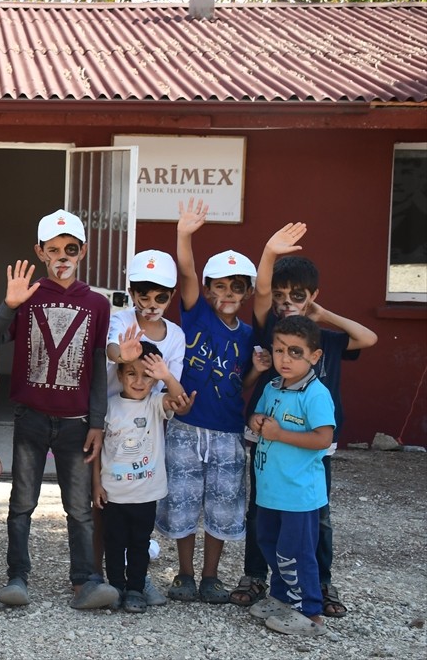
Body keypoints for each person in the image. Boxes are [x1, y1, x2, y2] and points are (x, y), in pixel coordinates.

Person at [0, 209, 118, 610]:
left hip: (76, 424)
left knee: (79, 507)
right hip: (31, 418)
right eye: (53, 249)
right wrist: (8, 305)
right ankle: (17, 577)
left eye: (70, 249)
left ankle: (85, 581)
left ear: (83, 251)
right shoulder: (28, 297)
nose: (62, 257)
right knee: (22, 503)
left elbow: (95, 366)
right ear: (39, 252)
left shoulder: (96, 303)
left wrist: (97, 422)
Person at [234, 223, 377, 617]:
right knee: (261, 511)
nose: (286, 302)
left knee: (317, 517)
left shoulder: (325, 340)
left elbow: (368, 339)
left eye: (297, 295)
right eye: (281, 296)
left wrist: (322, 314)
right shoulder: (271, 331)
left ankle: (319, 584)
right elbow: (261, 292)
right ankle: (257, 575)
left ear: (313, 295)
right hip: (268, 444)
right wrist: (267, 253)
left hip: (312, 447)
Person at [155, 197, 265, 604]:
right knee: (183, 502)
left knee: (221, 505)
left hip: (227, 432)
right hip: (186, 427)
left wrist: (256, 367)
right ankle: (184, 574)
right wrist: (184, 234)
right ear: (207, 289)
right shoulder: (197, 314)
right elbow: (186, 269)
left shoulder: (249, 334)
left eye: (238, 287)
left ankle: (211, 576)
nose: (229, 293)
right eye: (220, 285)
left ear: (249, 291)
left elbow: (243, 383)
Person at [97, 249, 186, 606]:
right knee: (109, 516)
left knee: (138, 516)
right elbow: (112, 349)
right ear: (132, 292)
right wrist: (125, 355)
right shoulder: (120, 320)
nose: (151, 304)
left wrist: (159, 379)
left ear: (171, 296)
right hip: (108, 419)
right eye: (143, 296)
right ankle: (101, 578)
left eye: (160, 297)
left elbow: (172, 391)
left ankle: (137, 581)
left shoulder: (175, 336)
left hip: (148, 416)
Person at [247, 315, 335, 637]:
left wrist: (280, 434)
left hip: (299, 495)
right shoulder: (272, 387)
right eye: (280, 349)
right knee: (270, 542)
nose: (285, 358)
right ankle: (283, 598)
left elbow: (323, 439)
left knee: (295, 553)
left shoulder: (316, 394)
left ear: (314, 356)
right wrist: (257, 419)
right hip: (271, 490)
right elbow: (261, 416)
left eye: (295, 352)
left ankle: (310, 612)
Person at [94, 342, 195, 613]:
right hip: (113, 492)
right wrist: (96, 485)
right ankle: (116, 587)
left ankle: (136, 590)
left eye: (147, 375)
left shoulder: (155, 403)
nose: (139, 381)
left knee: (139, 544)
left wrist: (166, 376)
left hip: (146, 493)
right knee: (113, 544)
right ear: (119, 375)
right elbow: (97, 448)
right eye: (131, 374)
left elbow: (181, 402)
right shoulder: (109, 406)